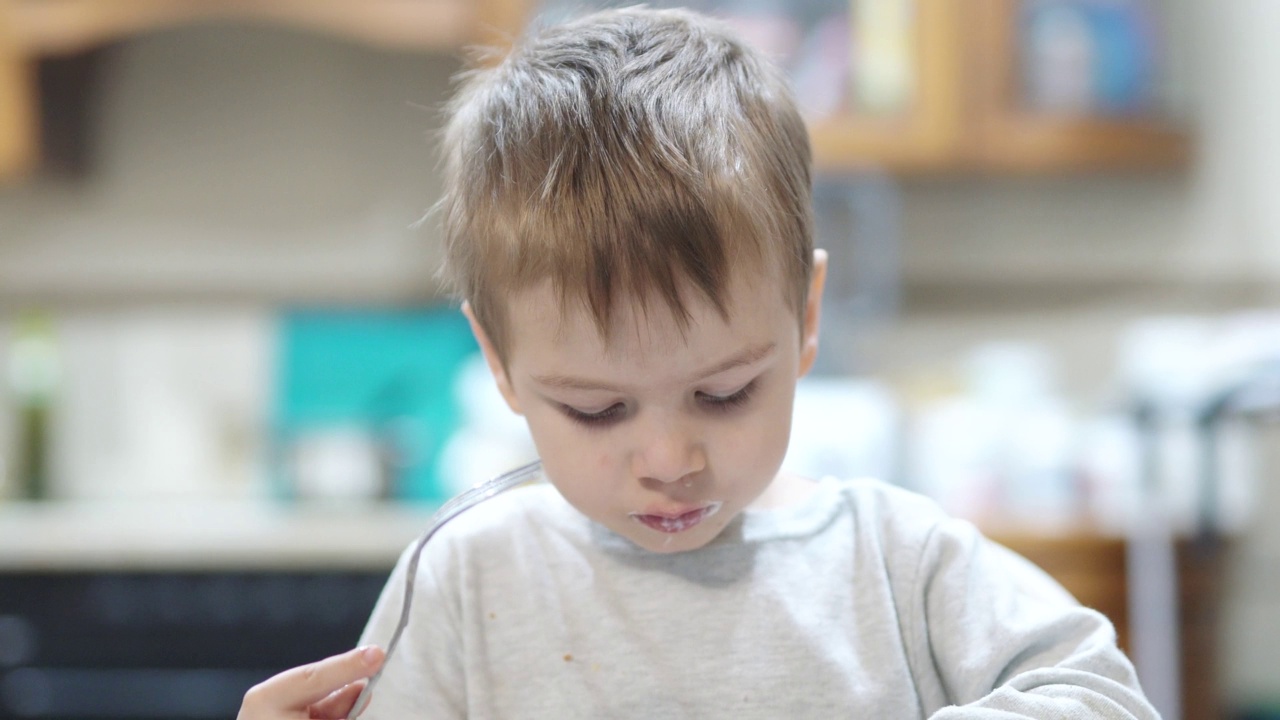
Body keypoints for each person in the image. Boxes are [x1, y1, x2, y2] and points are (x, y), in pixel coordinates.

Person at [239, 6, 1158, 719]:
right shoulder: (471, 577)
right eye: (599, 411)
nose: (670, 458)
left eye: (723, 392)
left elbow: (1104, 694)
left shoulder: (898, 564)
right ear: (500, 362)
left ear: (804, 318)